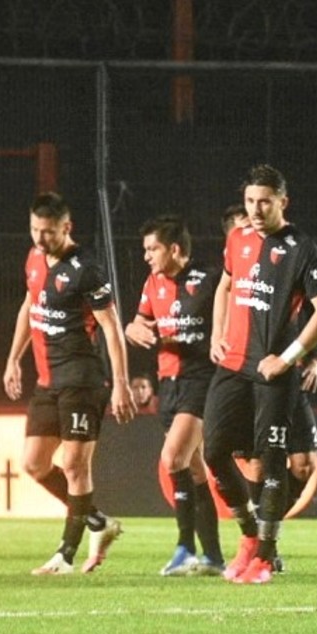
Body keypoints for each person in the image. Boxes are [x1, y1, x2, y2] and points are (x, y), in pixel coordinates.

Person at [202, 164, 317, 584]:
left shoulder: (300, 247)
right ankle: (249, 537)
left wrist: (290, 356)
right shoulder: (237, 238)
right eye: (250, 201)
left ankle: (265, 557)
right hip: (233, 365)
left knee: (271, 461)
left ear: (283, 201)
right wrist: (217, 333)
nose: (256, 210)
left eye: (265, 201)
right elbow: (226, 285)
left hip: (273, 373)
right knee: (213, 451)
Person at [2, 192, 134, 575]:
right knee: (34, 464)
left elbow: (111, 328)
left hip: (81, 380)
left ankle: (66, 554)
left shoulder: (86, 269)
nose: (41, 239)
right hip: (47, 381)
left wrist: (122, 384)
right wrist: (13, 358)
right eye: (35, 230)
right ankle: (97, 520)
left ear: (66, 227)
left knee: (75, 465)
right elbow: (31, 307)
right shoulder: (33, 259)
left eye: (48, 232)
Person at [123, 215, 225, 576]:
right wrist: (132, 328)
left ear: (175, 249)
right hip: (168, 383)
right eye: (145, 249)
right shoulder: (153, 283)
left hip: (201, 379)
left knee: (173, 457)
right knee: (194, 469)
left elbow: (231, 319)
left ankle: (184, 548)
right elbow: (139, 321)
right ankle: (213, 556)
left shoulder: (210, 280)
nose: (147, 256)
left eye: (153, 249)